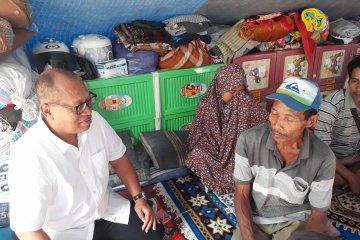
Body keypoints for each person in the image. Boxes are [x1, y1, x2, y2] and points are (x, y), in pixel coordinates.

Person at [8, 68, 164, 240]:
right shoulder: (28, 156)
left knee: (153, 233)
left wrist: (139, 197)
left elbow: (119, 159)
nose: (88, 111)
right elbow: (27, 230)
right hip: (66, 231)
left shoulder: (95, 121)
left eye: (88, 101)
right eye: (78, 107)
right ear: (47, 111)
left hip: (106, 211)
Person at [232, 77, 337, 240]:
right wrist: (248, 237)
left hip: (294, 220)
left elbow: (318, 214)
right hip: (255, 218)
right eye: (274, 112)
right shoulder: (248, 140)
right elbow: (241, 194)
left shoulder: (323, 158)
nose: (276, 124)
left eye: (289, 118)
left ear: (311, 121)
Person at [185, 63, 269, 194]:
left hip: (241, 149)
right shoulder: (208, 107)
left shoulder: (246, 100)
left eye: (241, 91)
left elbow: (263, 123)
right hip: (215, 148)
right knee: (197, 155)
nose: (238, 96)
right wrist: (229, 146)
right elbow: (205, 136)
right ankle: (227, 180)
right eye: (232, 92)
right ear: (220, 88)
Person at [314, 56, 360, 194]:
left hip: (356, 158)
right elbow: (323, 150)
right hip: (332, 160)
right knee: (318, 175)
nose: (358, 89)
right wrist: (350, 177)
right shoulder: (332, 105)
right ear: (348, 80)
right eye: (354, 81)